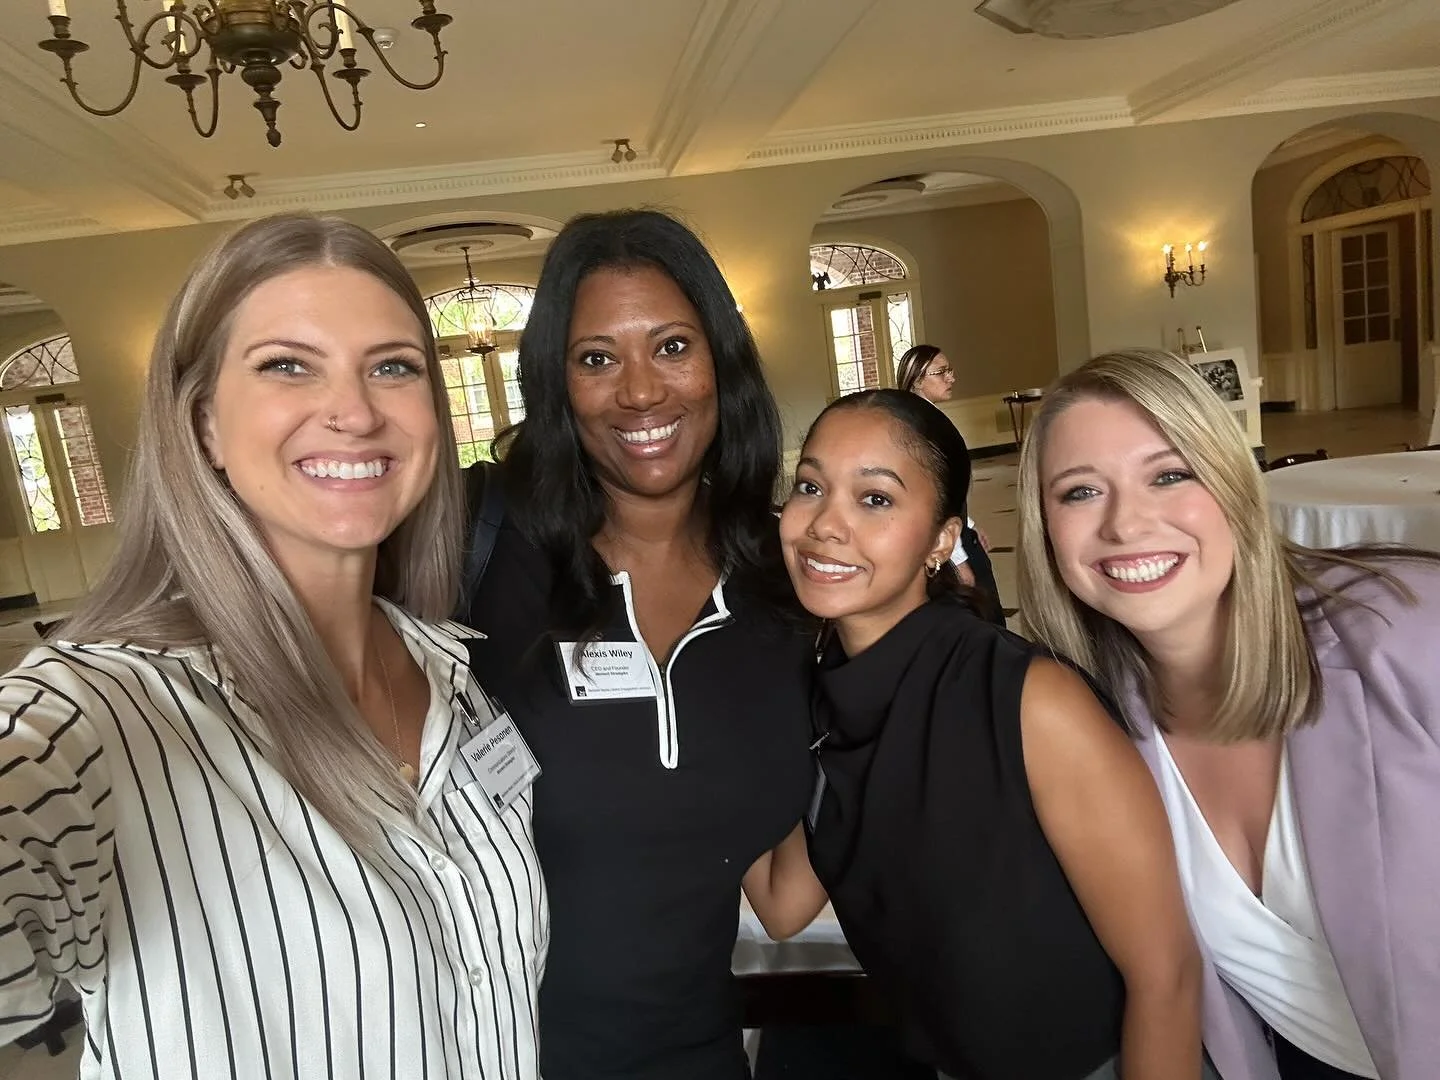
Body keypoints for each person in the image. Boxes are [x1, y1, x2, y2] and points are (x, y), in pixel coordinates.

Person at [0, 214, 545, 1079]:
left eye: (393, 367)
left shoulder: (455, 672)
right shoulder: (101, 711)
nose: (355, 411)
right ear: (205, 425)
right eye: (287, 365)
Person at [458, 209, 823, 1080]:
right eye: (596, 359)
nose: (641, 392)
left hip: (696, 1057)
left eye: (670, 347)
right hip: (487, 1056)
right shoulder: (474, 540)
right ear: (555, 384)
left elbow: (779, 898)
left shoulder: (788, 585)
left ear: (721, 362)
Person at [1016, 348, 1440, 1080]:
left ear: (1232, 484)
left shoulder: (1406, 632)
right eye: (1081, 492)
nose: (1126, 524)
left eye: (1170, 475)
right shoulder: (1086, 719)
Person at [779, 388, 1204, 1080]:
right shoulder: (822, 695)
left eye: (875, 499)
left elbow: (1168, 977)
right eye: (809, 486)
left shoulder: (1030, 700)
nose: (825, 523)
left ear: (942, 540)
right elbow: (783, 905)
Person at [896, 343, 1002, 621]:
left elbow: (950, 487)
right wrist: (959, 559)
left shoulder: (927, 417)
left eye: (950, 370)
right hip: (944, 543)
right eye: (941, 372)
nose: (951, 378)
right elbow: (933, 498)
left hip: (955, 533)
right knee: (983, 615)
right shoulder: (921, 427)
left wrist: (970, 524)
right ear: (917, 379)